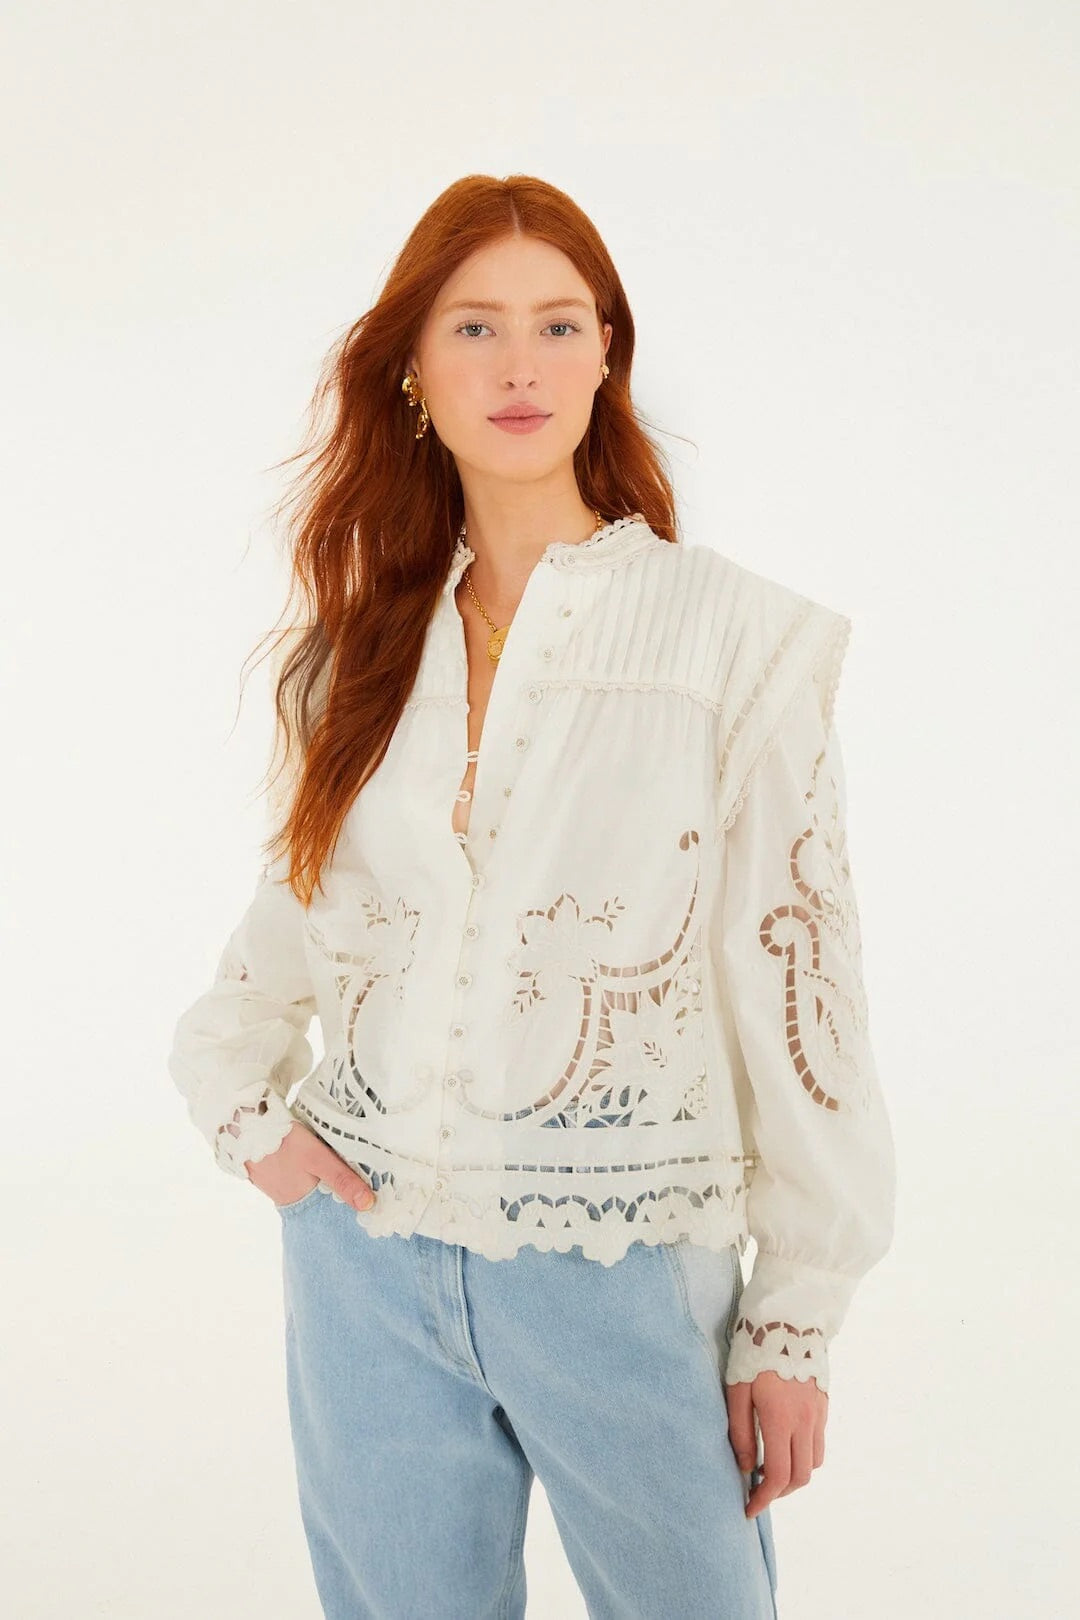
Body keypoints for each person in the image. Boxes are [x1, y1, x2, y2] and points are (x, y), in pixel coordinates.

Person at [168, 173, 896, 1620]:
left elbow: (801, 986)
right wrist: (246, 1113)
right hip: (365, 1265)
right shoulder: (355, 657)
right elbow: (289, 937)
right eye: (476, 327)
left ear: (608, 353)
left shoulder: (730, 644)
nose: (522, 366)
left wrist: (794, 1318)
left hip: (624, 1269)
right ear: (412, 371)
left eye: (561, 325)